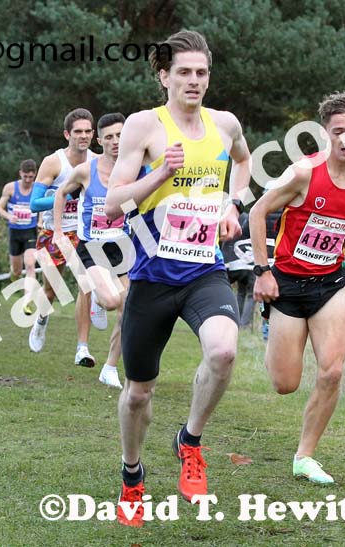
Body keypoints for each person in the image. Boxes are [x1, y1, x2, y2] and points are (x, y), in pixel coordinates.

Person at [105, 30, 250, 527]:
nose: (194, 80)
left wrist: (233, 204)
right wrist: (160, 175)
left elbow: (244, 162)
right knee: (138, 392)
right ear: (163, 76)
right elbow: (113, 202)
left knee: (224, 351)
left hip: (204, 269)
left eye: (201, 72)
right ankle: (132, 474)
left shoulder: (225, 124)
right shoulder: (144, 126)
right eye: (184, 72)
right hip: (151, 275)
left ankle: (190, 441)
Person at [250, 91, 345, 485]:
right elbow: (258, 211)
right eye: (338, 131)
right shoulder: (303, 172)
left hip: (330, 284)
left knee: (332, 372)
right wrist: (262, 271)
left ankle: (305, 456)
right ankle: (272, 328)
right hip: (287, 283)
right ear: (324, 134)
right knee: (285, 384)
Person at [54, 112, 129, 388]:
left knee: (128, 308)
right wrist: (59, 231)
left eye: (120, 135)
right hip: (92, 246)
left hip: (122, 246)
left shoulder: (135, 170)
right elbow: (61, 193)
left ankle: (110, 367)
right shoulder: (86, 170)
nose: (115, 141)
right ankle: (98, 295)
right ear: (100, 141)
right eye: (109, 137)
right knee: (110, 301)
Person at [28, 108, 96, 361]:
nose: (83, 136)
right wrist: (65, 194)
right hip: (53, 232)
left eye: (88, 131)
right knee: (51, 290)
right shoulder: (53, 162)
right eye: (78, 131)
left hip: (83, 232)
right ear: (67, 134)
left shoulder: (97, 161)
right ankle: (41, 319)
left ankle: (82, 348)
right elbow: (34, 204)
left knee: (86, 285)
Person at [0, 159, 39, 315]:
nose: (28, 180)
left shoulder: (37, 189)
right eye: (25, 176)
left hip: (30, 233)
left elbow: (43, 209)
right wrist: (9, 216)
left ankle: (27, 302)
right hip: (15, 233)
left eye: (31, 177)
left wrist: (41, 222)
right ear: (20, 173)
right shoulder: (10, 188)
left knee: (30, 265)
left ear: (35, 175)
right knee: (16, 271)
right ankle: (14, 274)